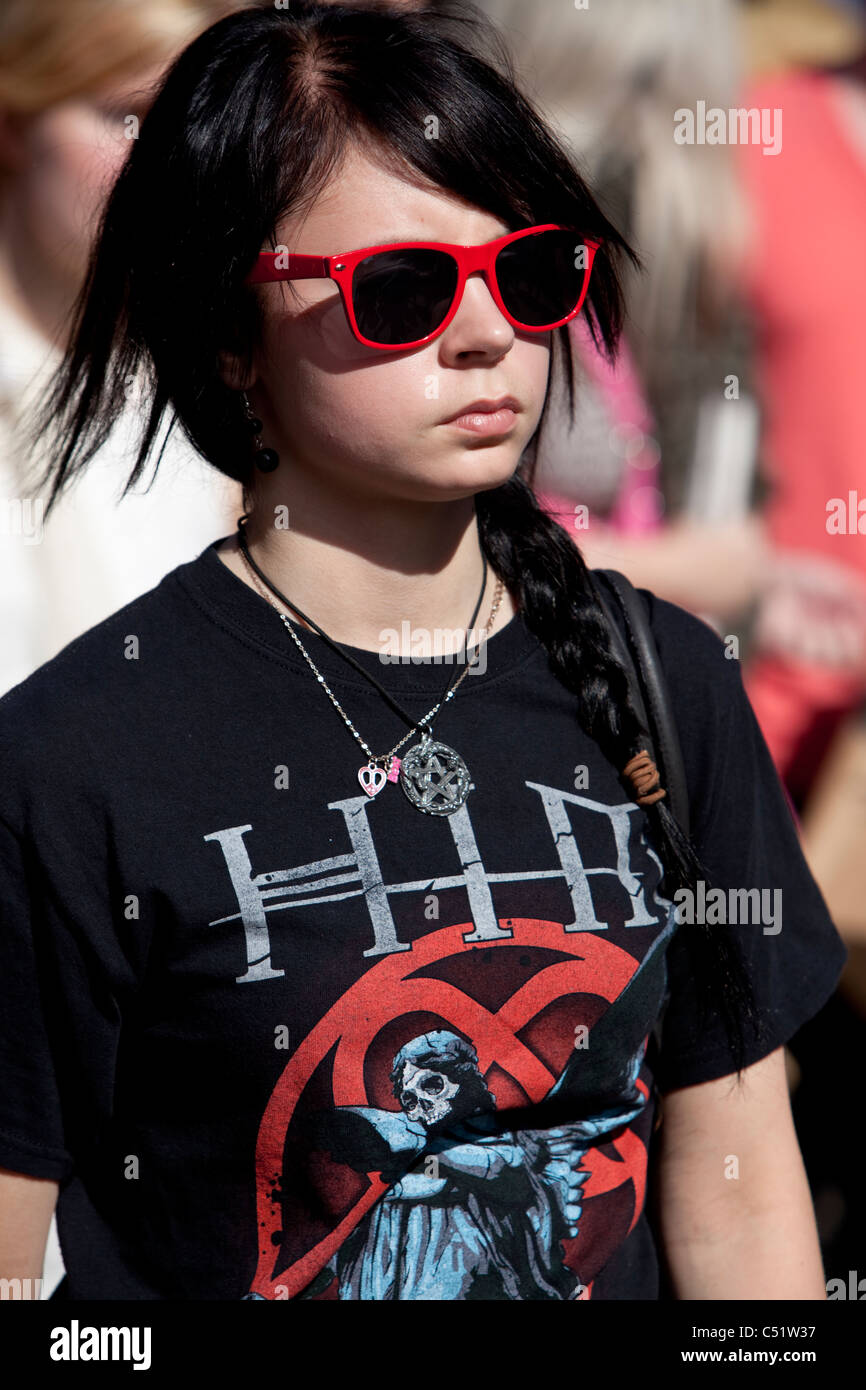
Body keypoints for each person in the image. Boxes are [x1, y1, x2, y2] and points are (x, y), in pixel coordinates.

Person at [0, 0, 847, 1301]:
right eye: (400, 290)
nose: (487, 333)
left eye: (529, 273)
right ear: (230, 333)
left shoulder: (663, 682)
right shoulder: (71, 756)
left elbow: (738, 1199)